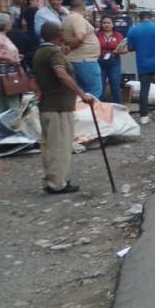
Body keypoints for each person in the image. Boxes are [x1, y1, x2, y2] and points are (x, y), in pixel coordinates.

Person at [31, 22, 95, 194]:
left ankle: (51, 179)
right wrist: (82, 94)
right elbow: (60, 73)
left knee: (50, 146)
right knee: (60, 146)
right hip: (58, 107)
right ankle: (58, 183)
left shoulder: (40, 52)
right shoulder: (53, 53)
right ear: (58, 35)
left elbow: (36, 78)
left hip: (48, 105)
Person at [61, 0, 103, 100]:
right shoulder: (77, 18)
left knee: (82, 91)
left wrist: (67, 46)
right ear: (83, 7)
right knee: (94, 91)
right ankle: (92, 114)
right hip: (85, 60)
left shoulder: (67, 18)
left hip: (78, 59)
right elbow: (80, 37)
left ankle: (84, 113)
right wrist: (70, 47)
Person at [125, 11, 155, 125]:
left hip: (143, 65)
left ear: (139, 18)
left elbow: (130, 48)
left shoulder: (132, 30)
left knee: (144, 90)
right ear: (151, 18)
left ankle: (144, 116)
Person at [96, 16, 126, 103]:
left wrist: (119, 50)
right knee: (100, 85)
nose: (106, 25)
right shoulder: (97, 35)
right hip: (100, 61)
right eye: (104, 23)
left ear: (113, 24)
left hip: (114, 61)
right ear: (101, 24)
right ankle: (100, 108)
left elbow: (125, 49)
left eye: (109, 23)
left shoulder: (118, 35)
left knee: (115, 85)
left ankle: (119, 107)